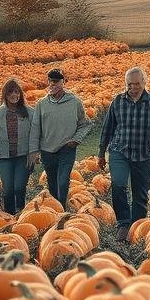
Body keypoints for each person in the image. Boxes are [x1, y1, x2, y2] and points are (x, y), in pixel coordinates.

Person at [98, 66, 150, 241]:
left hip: (144, 153)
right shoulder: (118, 101)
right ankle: (123, 223)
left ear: (144, 82)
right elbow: (107, 128)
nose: (133, 88)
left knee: (141, 193)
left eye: (137, 84)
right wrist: (101, 153)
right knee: (118, 183)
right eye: (129, 84)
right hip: (119, 151)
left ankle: (137, 226)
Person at [28, 68, 92, 209]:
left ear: (63, 82)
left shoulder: (74, 102)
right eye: (50, 81)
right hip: (47, 150)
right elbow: (35, 128)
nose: (52, 84)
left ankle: (61, 209)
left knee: (63, 181)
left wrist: (76, 139)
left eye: (56, 81)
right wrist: (33, 151)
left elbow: (85, 124)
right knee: (52, 182)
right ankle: (56, 208)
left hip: (66, 148)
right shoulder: (41, 104)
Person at [0, 77, 33, 216]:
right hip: (4, 156)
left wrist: (33, 152)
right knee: (8, 189)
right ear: (5, 95)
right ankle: (9, 215)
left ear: (20, 94)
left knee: (19, 187)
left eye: (17, 92)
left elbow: (35, 133)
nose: (14, 95)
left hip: (23, 155)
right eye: (10, 93)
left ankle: (21, 213)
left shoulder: (29, 112)